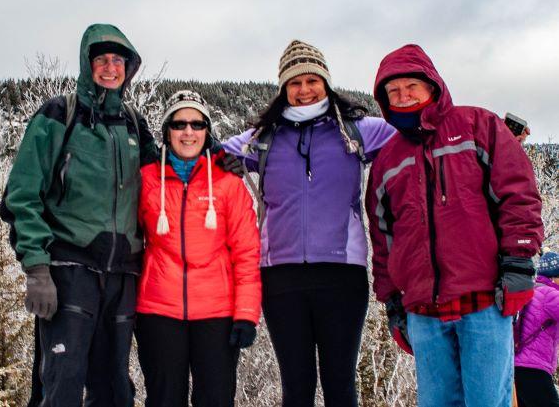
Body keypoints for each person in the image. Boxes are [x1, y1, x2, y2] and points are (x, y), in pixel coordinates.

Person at [365, 44, 544, 407]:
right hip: (423, 314)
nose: (403, 96)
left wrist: (519, 264)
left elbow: (518, 195)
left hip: (485, 303)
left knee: (488, 402)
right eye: (393, 91)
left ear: (432, 84)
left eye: (410, 86)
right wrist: (392, 302)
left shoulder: (479, 126)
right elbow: (383, 238)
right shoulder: (388, 160)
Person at [222, 40, 395, 407]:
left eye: (311, 80)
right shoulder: (264, 138)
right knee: (296, 388)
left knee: (340, 386)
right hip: (281, 276)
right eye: (294, 83)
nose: (304, 91)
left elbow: (413, 137)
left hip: (341, 273)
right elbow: (209, 151)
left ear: (325, 82)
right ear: (283, 88)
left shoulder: (357, 130)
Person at [0, 23, 157, 406]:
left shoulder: (135, 125)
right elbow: (21, 195)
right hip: (69, 271)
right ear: (87, 65)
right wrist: (37, 269)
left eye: (117, 60)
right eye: (100, 59)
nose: (109, 67)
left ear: (128, 67)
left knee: (115, 389)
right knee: (62, 385)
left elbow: (172, 169)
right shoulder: (59, 114)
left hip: (122, 276)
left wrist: (217, 159)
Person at [135, 90, 261, 407]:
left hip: (217, 314)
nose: (188, 132)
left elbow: (247, 252)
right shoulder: (146, 180)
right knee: (164, 399)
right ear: (166, 131)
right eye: (179, 124)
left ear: (207, 132)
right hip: (158, 312)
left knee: (216, 400)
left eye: (196, 124)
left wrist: (246, 313)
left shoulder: (228, 182)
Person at [514, 249, 559, 407]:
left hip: (517, 367)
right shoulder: (551, 294)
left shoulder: (532, 291)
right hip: (535, 368)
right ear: (555, 276)